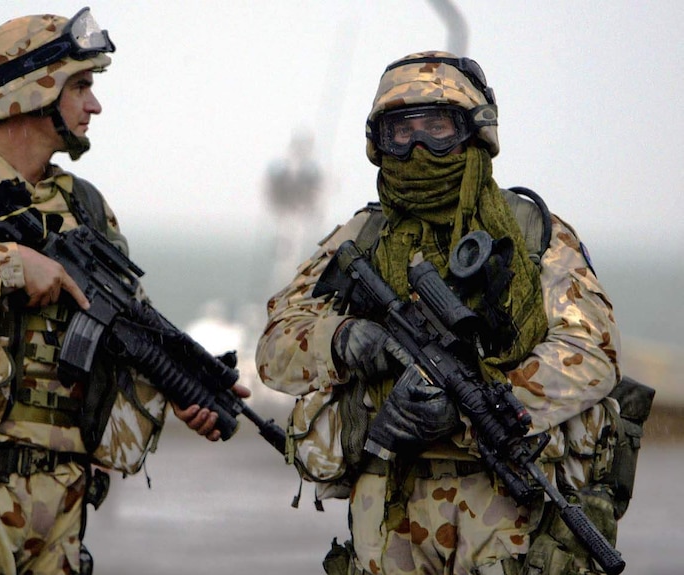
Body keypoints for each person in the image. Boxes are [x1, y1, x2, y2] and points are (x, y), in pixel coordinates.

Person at [0, 8, 245, 574]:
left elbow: (119, 330)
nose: (95, 104)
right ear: (32, 93)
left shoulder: (86, 208)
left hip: (63, 503)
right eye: (81, 86)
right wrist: (10, 267)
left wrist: (181, 387)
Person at [255, 51, 622, 574]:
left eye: (437, 127)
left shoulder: (533, 235)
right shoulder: (362, 238)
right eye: (401, 132)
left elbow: (592, 352)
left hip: (502, 502)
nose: (419, 148)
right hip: (386, 502)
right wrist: (344, 339)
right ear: (378, 143)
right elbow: (275, 347)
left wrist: (479, 410)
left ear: (473, 133)